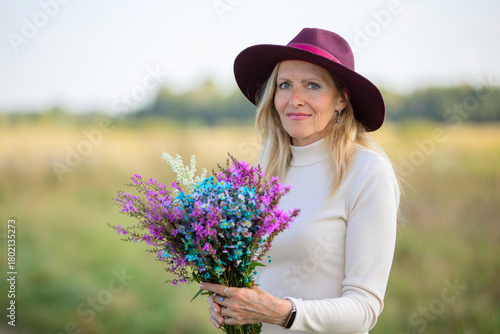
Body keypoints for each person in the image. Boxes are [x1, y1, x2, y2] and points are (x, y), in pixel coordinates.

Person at [200, 27, 400, 334]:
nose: (295, 99)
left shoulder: (367, 172)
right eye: (285, 85)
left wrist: (282, 313)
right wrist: (231, 303)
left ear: (341, 100)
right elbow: (261, 278)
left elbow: (364, 309)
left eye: (312, 86)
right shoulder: (265, 172)